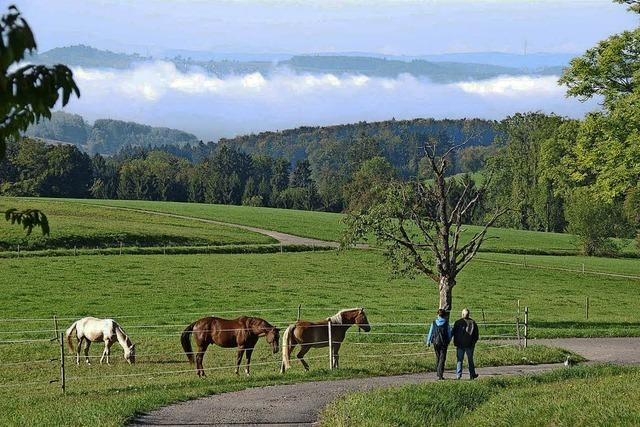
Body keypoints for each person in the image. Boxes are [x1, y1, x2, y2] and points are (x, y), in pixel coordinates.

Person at [425, 308, 452, 380]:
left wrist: (428, 341)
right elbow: (449, 333)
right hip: (444, 343)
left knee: (437, 357)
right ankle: (440, 374)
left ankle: (438, 372)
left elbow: (430, 332)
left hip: (436, 342)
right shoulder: (446, 323)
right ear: (444, 315)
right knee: (442, 358)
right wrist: (449, 340)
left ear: (438, 315)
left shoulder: (434, 323)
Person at [453, 308, 479, 380]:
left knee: (459, 360)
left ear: (462, 314)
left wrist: (455, 342)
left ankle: (458, 375)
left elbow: (454, 333)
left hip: (460, 344)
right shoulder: (473, 322)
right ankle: (472, 374)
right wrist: (473, 342)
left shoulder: (457, 322)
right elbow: (476, 335)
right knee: (470, 360)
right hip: (470, 345)